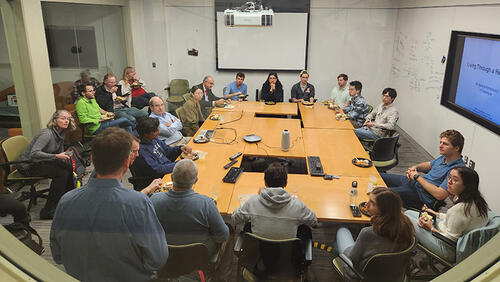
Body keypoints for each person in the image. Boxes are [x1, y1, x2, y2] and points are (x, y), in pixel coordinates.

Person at [50, 128, 168, 282]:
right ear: (127, 161)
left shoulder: (66, 201)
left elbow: (57, 256)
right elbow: (157, 260)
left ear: (92, 159)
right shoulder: (138, 203)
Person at [405, 167, 488, 262]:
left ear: (467, 185)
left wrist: (431, 228)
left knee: (406, 219)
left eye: (455, 180)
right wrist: (436, 213)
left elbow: (450, 239)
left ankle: (407, 258)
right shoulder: (477, 201)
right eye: (450, 178)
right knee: (408, 212)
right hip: (459, 242)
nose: (449, 182)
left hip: (448, 248)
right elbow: (456, 219)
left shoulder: (460, 209)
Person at [151, 159, 229, 255]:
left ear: (171, 177)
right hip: (199, 257)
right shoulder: (206, 203)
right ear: (196, 180)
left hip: (164, 255)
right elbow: (222, 236)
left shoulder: (153, 200)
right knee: (230, 231)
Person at [335, 187, 414, 277]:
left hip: (360, 274)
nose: (366, 204)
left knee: (342, 230)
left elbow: (352, 258)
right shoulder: (406, 225)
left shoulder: (368, 233)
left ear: (383, 209)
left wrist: (353, 247)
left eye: (372, 203)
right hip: (394, 276)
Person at [381, 130, 466, 209]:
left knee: (382, 195)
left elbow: (440, 194)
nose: (440, 146)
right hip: (414, 183)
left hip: (421, 196)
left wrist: (417, 177)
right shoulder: (444, 157)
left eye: (445, 144)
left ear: (456, 148)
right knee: (379, 176)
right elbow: (428, 165)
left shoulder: (457, 170)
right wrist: (416, 167)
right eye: (440, 142)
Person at [232, 163, 317, 239]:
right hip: (288, 253)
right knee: (305, 229)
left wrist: (258, 197)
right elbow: (313, 221)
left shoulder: (253, 202)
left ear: (265, 183)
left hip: (258, 252)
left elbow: (234, 218)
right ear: (286, 183)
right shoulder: (297, 205)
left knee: (247, 226)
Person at [16, 110, 76, 220]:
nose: (66, 121)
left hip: (40, 162)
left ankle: (68, 201)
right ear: (55, 120)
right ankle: (48, 211)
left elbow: (58, 150)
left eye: (68, 119)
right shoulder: (47, 134)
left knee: (67, 167)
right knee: (61, 173)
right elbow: (34, 153)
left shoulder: (61, 132)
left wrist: (63, 158)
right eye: (63, 118)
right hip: (28, 166)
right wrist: (57, 157)